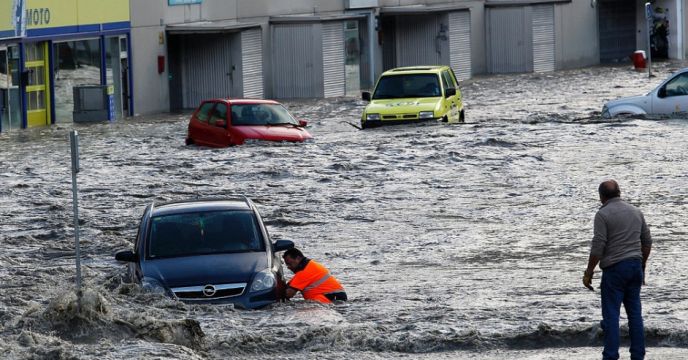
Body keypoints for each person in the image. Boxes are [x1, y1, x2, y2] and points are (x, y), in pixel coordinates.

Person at [583, 180, 652, 360]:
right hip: (635, 266)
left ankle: (611, 356)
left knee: (611, 316)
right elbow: (647, 242)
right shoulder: (636, 211)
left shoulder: (603, 214)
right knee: (635, 315)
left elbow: (598, 246)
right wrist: (642, 265)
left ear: (601, 197)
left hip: (615, 270)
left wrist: (589, 271)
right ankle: (638, 356)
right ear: (619, 193)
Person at [282, 248, 347, 304]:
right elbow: (289, 285)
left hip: (332, 299)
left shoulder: (304, 272)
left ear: (298, 259)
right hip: (337, 297)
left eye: (290, 264)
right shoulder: (309, 265)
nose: (288, 267)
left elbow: (288, 294)